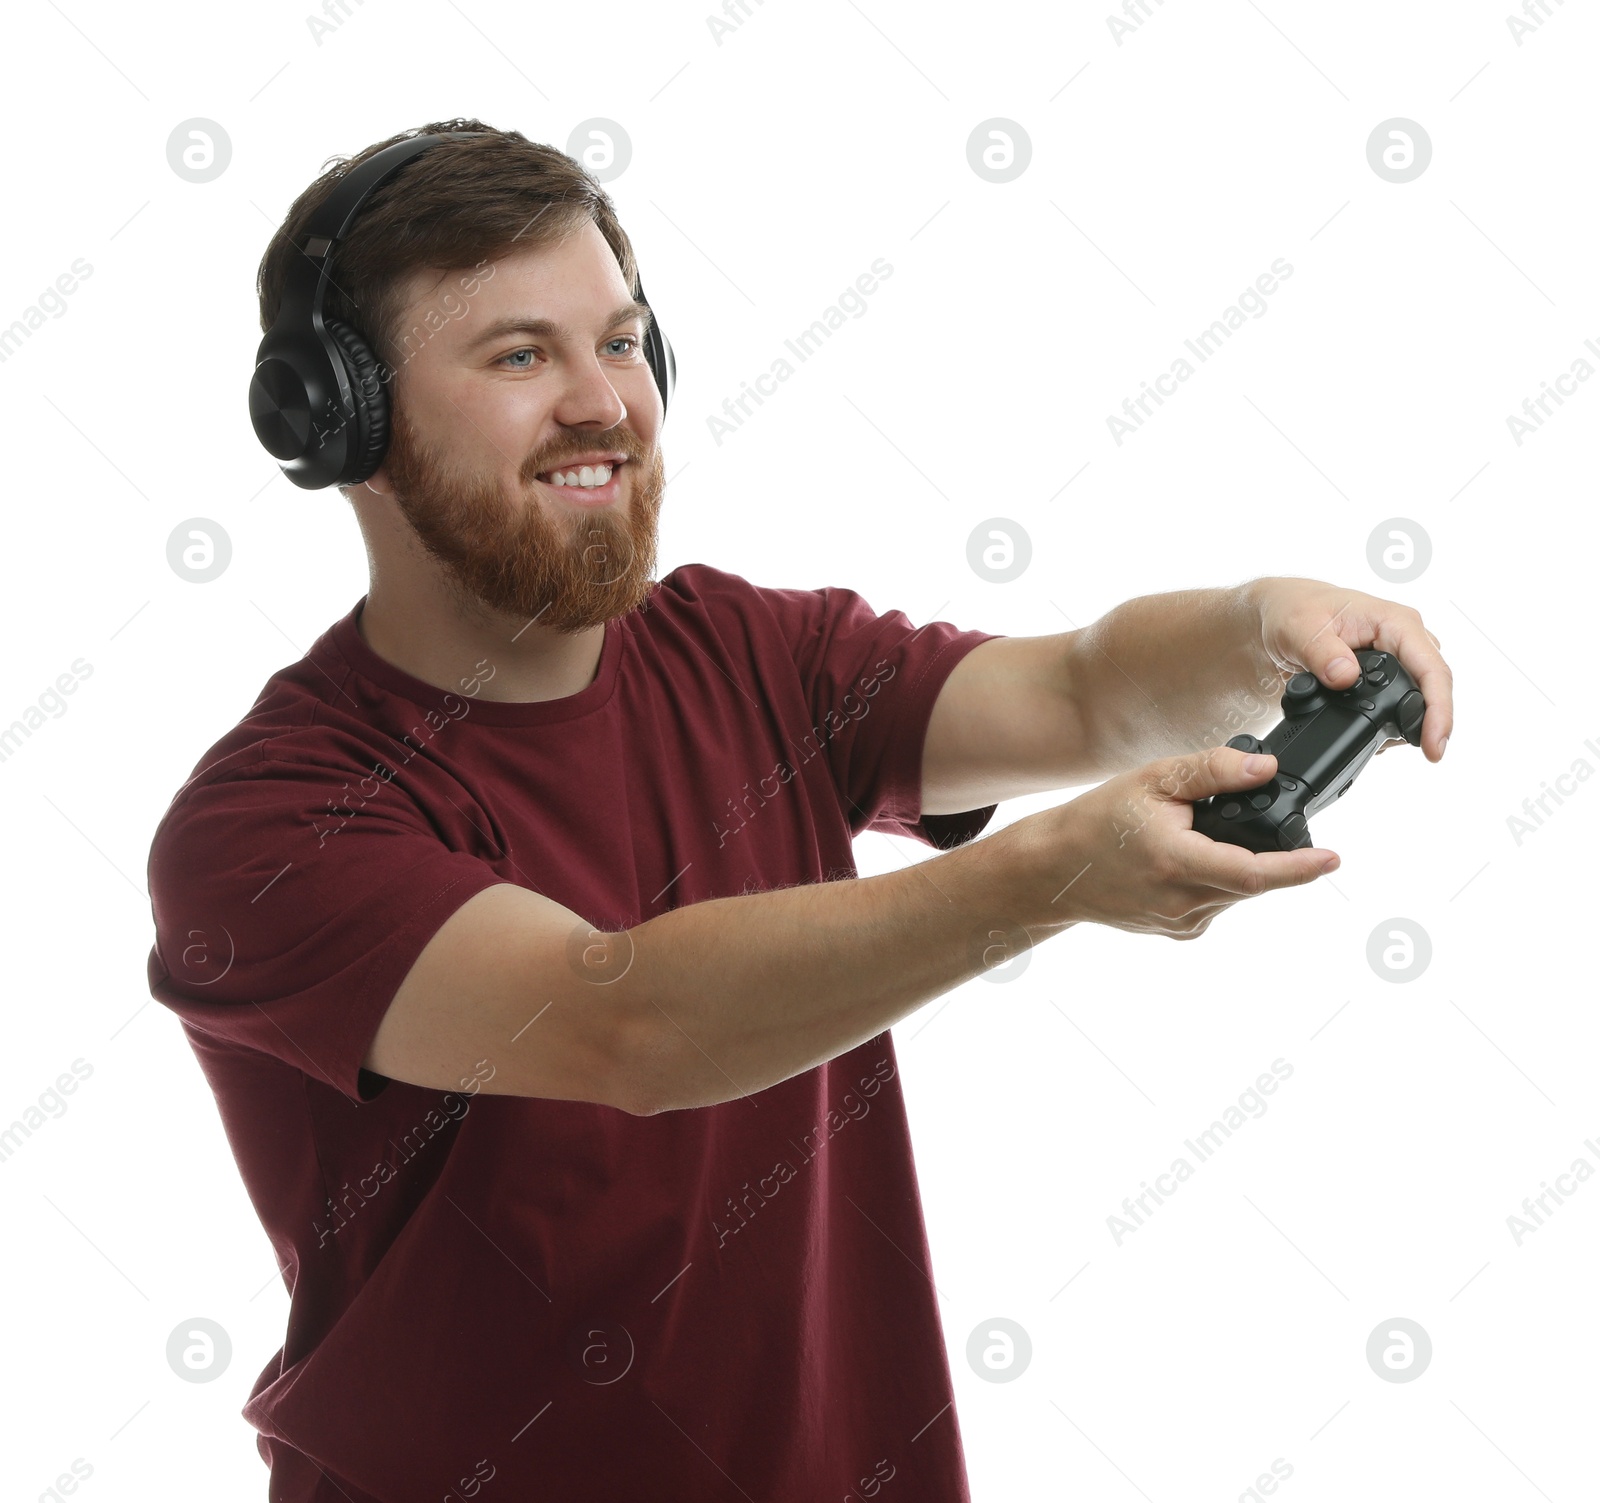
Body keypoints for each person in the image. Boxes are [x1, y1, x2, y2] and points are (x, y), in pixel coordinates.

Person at [143, 119, 1454, 1503]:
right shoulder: (270, 826)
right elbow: (621, 1019)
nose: (607, 402)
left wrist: (1261, 629)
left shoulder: (747, 650)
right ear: (338, 417)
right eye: (522, 355)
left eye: (625, 339)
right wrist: (1048, 882)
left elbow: (1075, 692)